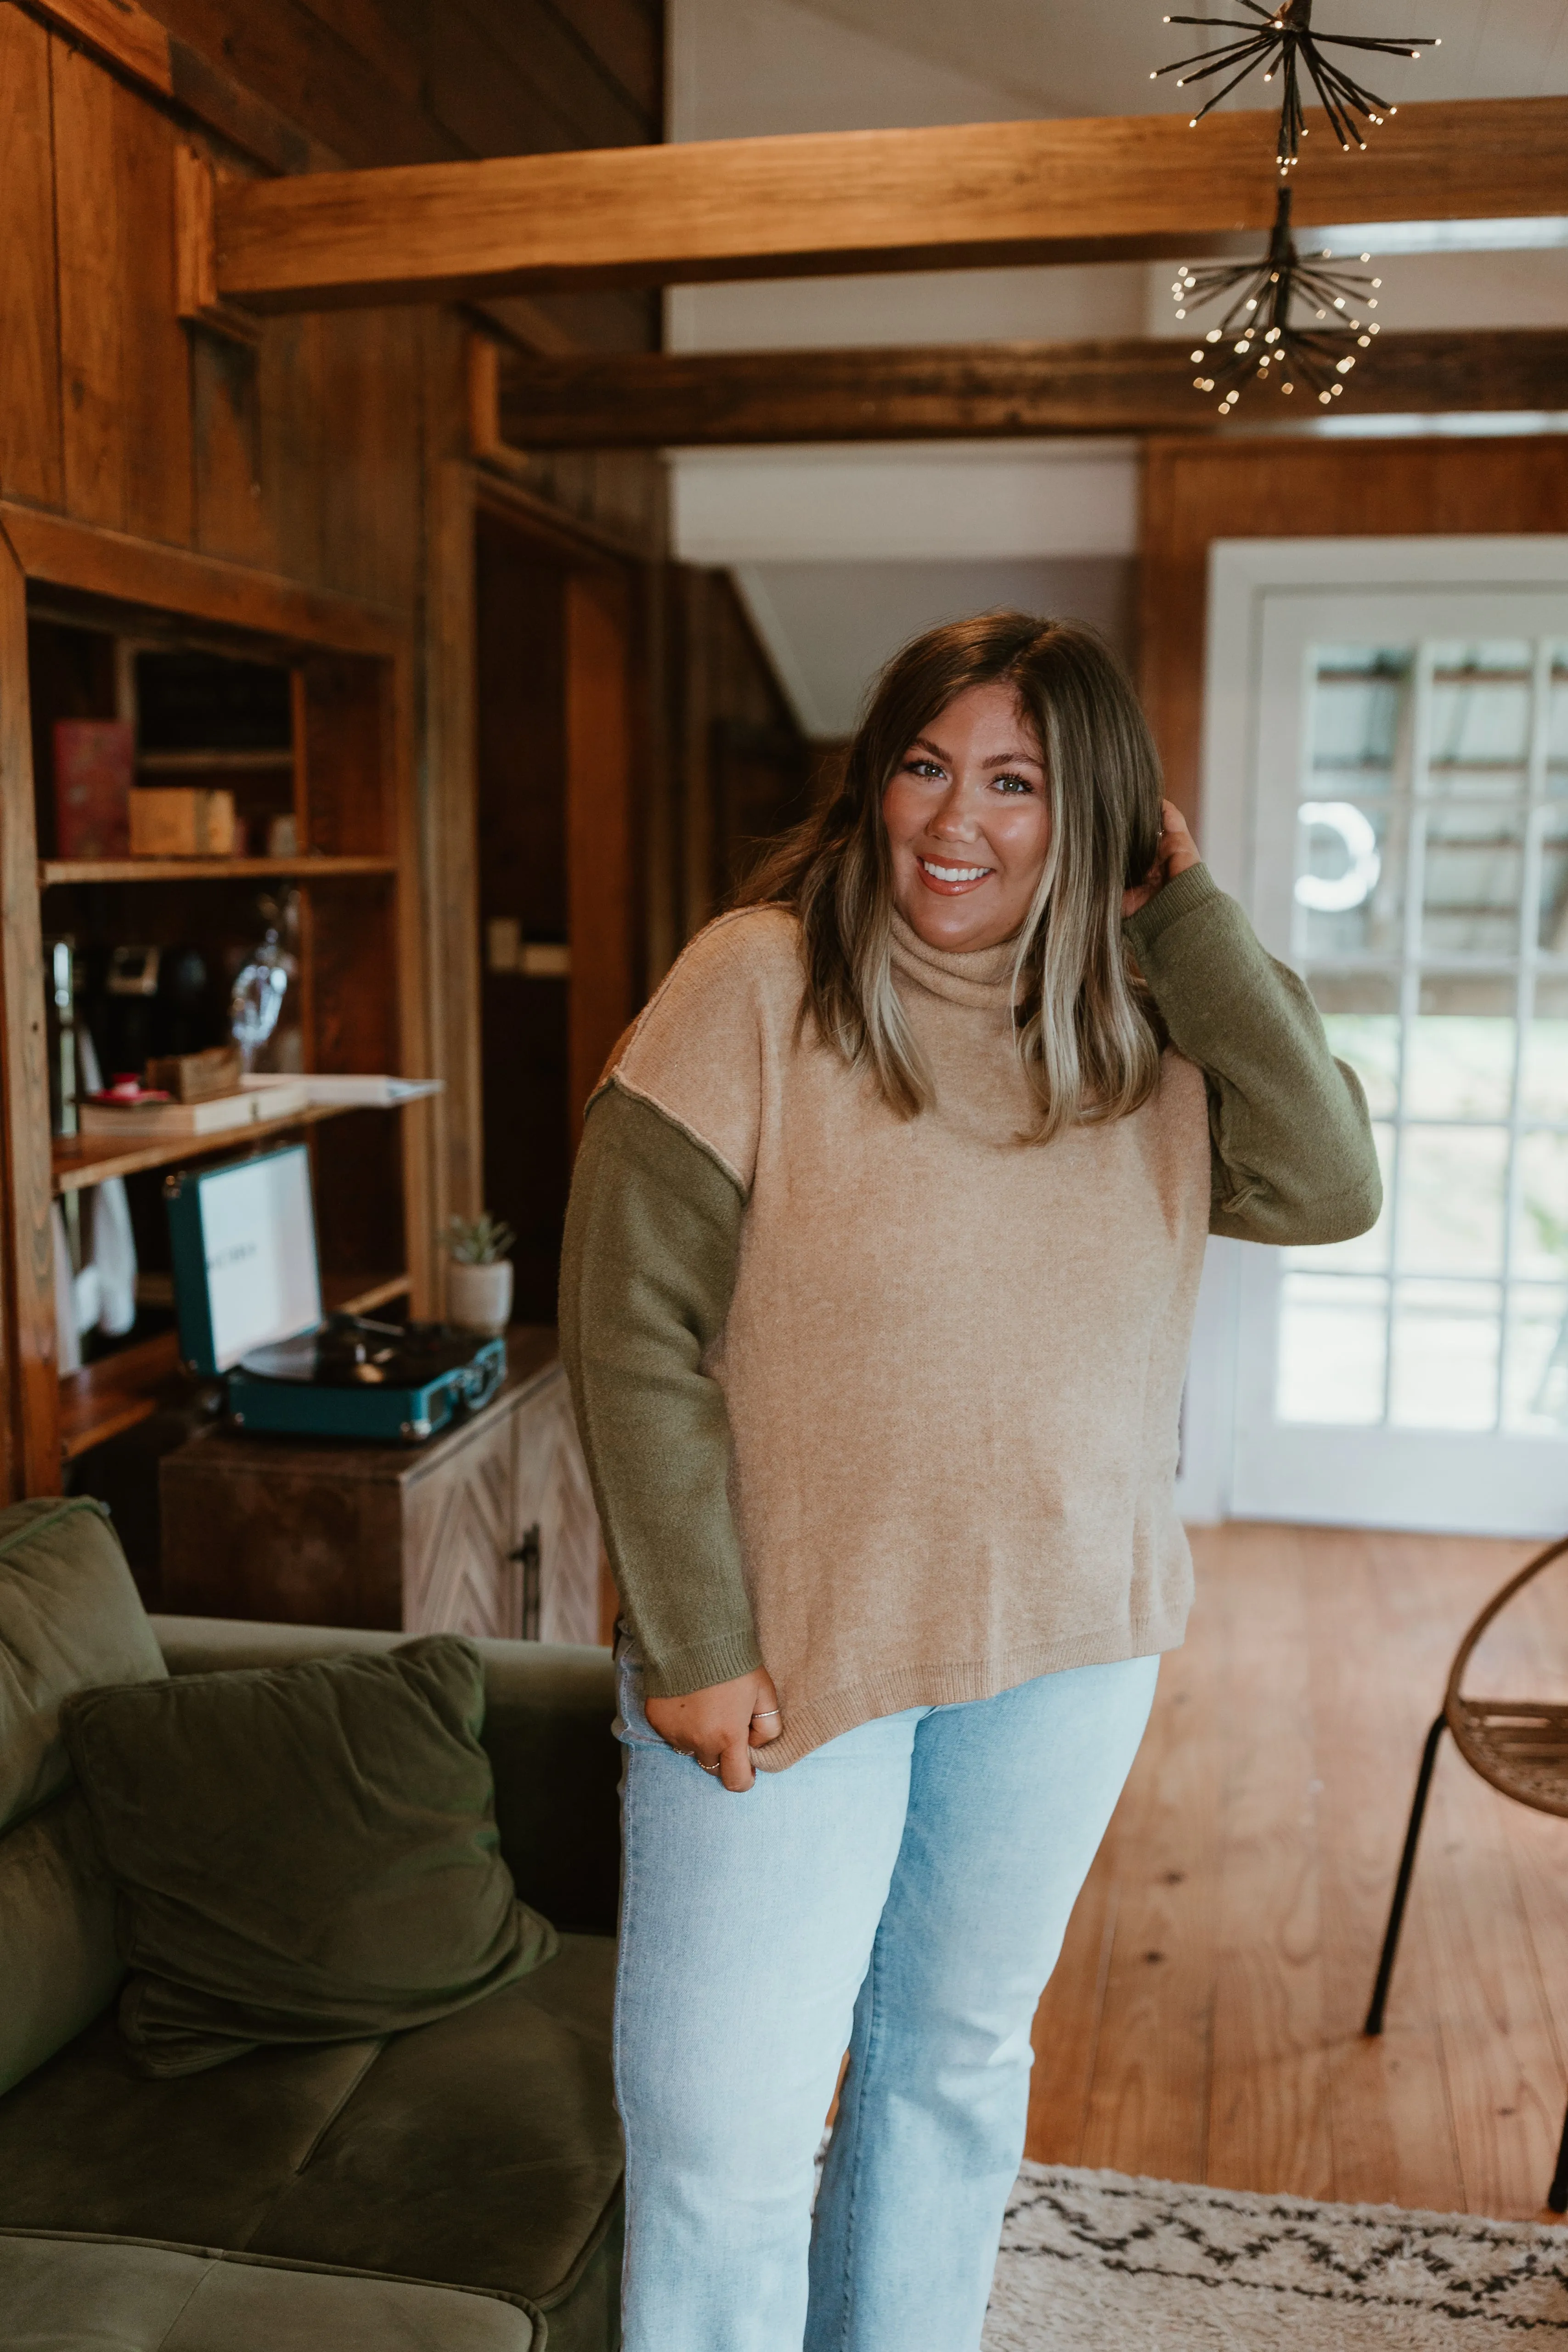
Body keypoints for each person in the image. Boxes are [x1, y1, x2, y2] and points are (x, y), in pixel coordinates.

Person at [559, 611, 1380, 2352]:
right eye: (926, 764)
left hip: (1069, 1641)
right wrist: (695, 1641)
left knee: (944, 2077)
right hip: (780, 1655)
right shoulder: (754, 983)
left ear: (1093, 814)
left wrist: (1187, 913)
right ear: (872, 783)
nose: (958, 819)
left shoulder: (1141, 1017)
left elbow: (1326, 1180)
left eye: (1016, 781)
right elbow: (628, 1328)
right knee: (725, 2128)